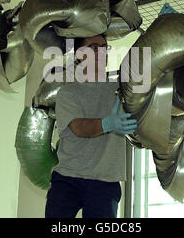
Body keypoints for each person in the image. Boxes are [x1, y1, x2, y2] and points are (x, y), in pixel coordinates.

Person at [45, 33, 138, 218]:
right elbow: (79, 128)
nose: (102, 51)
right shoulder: (68, 93)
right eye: (96, 47)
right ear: (80, 55)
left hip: (106, 181)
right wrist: (107, 123)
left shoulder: (121, 91)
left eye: (105, 47)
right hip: (68, 179)